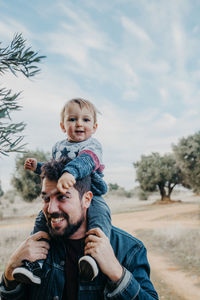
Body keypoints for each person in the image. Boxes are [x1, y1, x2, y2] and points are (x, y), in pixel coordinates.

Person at [0, 159, 159, 300]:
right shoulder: (33, 249)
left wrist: (116, 272)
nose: (51, 208)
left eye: (62, 197)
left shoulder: (129, 250)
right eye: (46, 198)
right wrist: (10, 271)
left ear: (87, 199)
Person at [13, 98, 111, 284]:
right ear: (62, 125)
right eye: (72, 119)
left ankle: (95, 258)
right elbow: (53, 170)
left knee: (100, 218)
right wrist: (38, 167)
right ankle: (34, 265)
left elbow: (87, 160)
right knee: (41, 222)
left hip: (92, 191)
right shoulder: (58, 147)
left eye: (86, 120)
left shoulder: (93, 146)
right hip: (62, 191)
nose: (79, 124)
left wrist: (71, 172)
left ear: (95, 126)